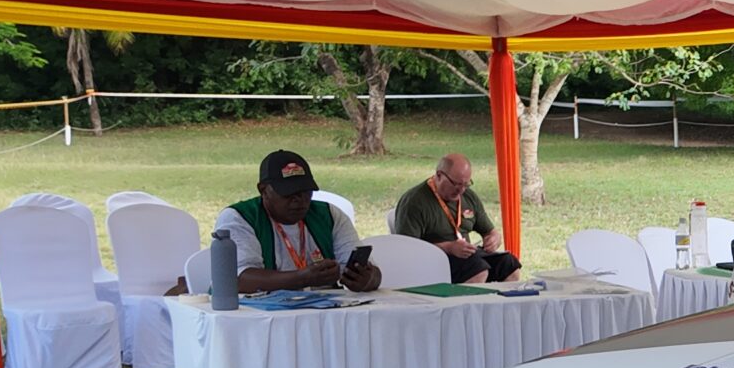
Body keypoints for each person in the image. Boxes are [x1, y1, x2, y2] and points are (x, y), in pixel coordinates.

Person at [214, 149, 383, 294]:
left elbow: (371, 272)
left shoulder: (329, 214)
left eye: (305, 192)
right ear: (264, 190)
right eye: (288, 193)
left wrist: (368, 279)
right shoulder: (240, 217)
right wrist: (302, 278)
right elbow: (239, 279)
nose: (299, 201)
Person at [391, 152, 521, 283]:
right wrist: (449, 248)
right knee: (478, 270)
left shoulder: (468, 197)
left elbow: (491, 232)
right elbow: (407, 250)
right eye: (456, 184)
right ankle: (468, 303)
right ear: (439, 175)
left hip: (469, 258)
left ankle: (501, 303)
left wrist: (493, 239)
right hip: (434, 262)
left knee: (510, 264)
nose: (461, 190)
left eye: (466, 184)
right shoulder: (415, 202)